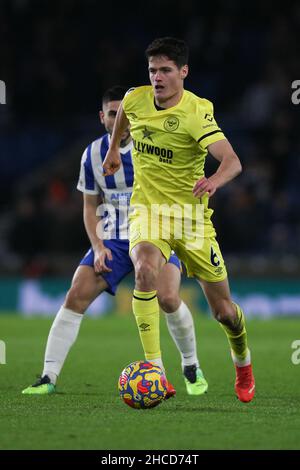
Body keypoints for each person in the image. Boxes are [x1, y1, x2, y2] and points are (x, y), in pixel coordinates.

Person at [22, 85, 208, 397]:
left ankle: (191, 365)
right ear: (103, 117)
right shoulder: (93, 155)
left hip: (154, 233)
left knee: (168, 298)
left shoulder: (154, 148)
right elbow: (89, 207)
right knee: (75, 295)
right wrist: (98, 246)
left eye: (126, 113)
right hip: (112, 239)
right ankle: (48, 376)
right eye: (112, 113)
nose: (121, 119)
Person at [103, 38, 255, 403]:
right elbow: (124, 112)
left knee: (224, 312)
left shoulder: (196, 111)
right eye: (153, 70)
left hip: (191, 219)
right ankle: (155, 369)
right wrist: (112, 149)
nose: (158, 77)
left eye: (166, 70)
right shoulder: (135, 98)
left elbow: (232, 160)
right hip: (148, 211)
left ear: (183, 72)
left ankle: (243, 363)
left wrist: (214, 181)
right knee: (143, 271)